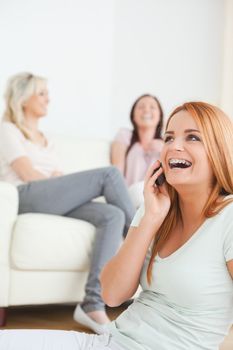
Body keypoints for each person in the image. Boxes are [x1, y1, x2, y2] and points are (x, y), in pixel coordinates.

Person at [1, 101, 233, 350]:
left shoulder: (228, 216)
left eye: (193, 137)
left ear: (219, 150)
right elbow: (112, 295)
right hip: (111, 342)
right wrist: (150, 220)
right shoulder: (155, 206)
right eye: (168, 138)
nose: (174, 146)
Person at [0, 72, 135, 335]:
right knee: (110, 175)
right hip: (24, 196)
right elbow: (28, 174)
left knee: (112, 215)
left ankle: (92, 303)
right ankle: (145, 249)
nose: (47, 98)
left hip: (47, 197)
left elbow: (58, 177)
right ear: (23, 98)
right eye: (41, 93)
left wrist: (62, 184)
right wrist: (59, 183)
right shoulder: (8, 129)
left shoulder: (45, 140)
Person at [111, 94, 164, 208]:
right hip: (130, 196)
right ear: (133, 116)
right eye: (141, 107)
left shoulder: (167, 144)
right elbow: (117, 173)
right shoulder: (125, 135)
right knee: (139, 191)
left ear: (160, 116)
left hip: (156, 198)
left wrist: (164, 149)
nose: (146, 110)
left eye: (152, 107)